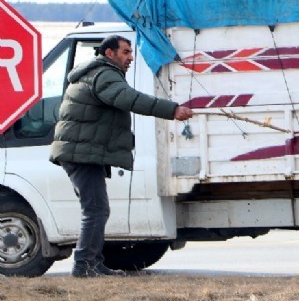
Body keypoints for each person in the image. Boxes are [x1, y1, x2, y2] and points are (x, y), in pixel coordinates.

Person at [49, 35, 193, 277]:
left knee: (96, 209)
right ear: (110, 54)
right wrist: (173, 109)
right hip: (80, 153)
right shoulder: (105, 74)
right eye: (125, 52)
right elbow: (130, 99)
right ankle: (84, 265)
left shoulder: (96, 73)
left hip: (82, 152)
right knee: (96, 210)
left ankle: (93, 263)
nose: (130, 57)